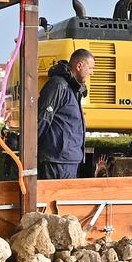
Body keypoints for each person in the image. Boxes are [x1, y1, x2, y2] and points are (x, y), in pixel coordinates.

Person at [37, 48, 93, 180]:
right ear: (79, 66)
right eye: (90, 68)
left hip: (67, 158)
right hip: (57, 160)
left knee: (63, 200)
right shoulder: (58, 85)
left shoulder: (72, 88)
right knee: (54, 199)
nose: (92, 72)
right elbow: (42, 119)